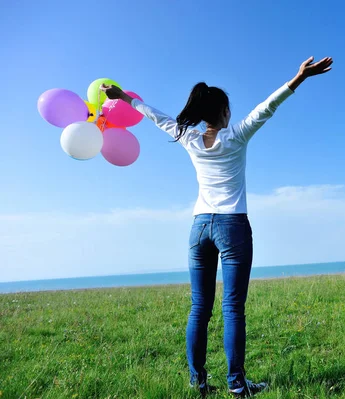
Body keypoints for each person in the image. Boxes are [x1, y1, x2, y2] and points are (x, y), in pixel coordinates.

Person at [101, 56, 333, 397]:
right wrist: (298, 79)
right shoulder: (235, 136)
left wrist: (126, 99)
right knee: (232, 307)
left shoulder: (189, 138)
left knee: (199, 307)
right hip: (232, 225)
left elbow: (159, 119)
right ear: (223, 112)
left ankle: (198, 383)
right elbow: (267, 107)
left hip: (199, 227)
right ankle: (237, 386)